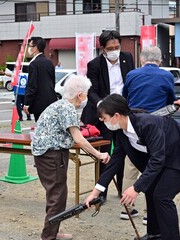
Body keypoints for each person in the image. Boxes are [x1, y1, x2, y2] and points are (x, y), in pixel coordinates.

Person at [85, 93, 180, 240]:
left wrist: (136, 187)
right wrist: (96, 192)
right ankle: (155, 234)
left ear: (116, 116)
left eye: (104, 118)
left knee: (162, 196)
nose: (102, 121)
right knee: (151, 189)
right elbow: (116, 161)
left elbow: (157, 159)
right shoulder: (121, 132)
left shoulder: (147, 123)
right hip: (167, 154)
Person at [32, 75, 110, 240]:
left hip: (47, 154)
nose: (86, 98)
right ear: (80, 95)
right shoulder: (67, 108)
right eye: (86, 94)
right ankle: (48, 236)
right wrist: (98, 154)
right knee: (57, 196)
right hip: (52, 155)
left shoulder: (59, 105)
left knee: (56, 194)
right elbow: (79, 138)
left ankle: (54, 230)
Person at [121, 45, 176, 222]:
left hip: (134, 124)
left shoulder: (132, 75)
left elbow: (125, 97)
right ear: (160, 61)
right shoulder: (167, 76)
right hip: (157, 125)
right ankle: (149, 213)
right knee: (155, 166)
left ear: (142, 59)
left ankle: (127, 208)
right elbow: (171, 101)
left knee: (131, 166)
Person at [81, 30, 134, 202]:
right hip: (103, 115)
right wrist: (103, 108)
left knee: (123, 150)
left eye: (117, 47)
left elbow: (130, 83)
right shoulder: (94, 65)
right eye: (110, 48)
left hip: (122, 114)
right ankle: (101, 192)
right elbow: (92, 92)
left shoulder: (127, 58)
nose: (114, 50)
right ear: (103, 48)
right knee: (104, 154)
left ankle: (121, 189)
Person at [23, 37, 57, 122]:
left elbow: (32, 85)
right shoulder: (49, 62)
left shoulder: (33, 64)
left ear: (36, 48)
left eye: (30, 46)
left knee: (41, 128)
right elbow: (52, 81)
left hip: (39, 102)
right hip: (51, 100)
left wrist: (27, 103)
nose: (28, 48)